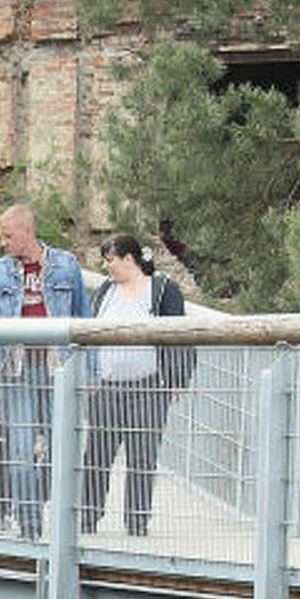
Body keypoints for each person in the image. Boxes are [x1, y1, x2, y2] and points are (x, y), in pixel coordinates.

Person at [0, 202, 89, 538]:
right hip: (17, 372)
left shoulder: (66, 265)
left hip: (58, 371)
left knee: (60, 450)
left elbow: (86, 320)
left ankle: (44, 509)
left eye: (8, 236)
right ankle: (29, 526)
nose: (3, 243)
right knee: (20, 453)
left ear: (27, 231)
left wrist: (91, 372)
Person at [81, 231, 189, 540]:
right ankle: (88, 516)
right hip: (106, 387)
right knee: (97, 455)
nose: (106, 266)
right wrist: (89, 373)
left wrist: (178, 378)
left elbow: (183, 335)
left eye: (110, 260)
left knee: (142, 456)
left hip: (149, 387)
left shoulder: (162, 290)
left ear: (129, 259)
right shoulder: (106, 291)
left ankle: (137, 521)